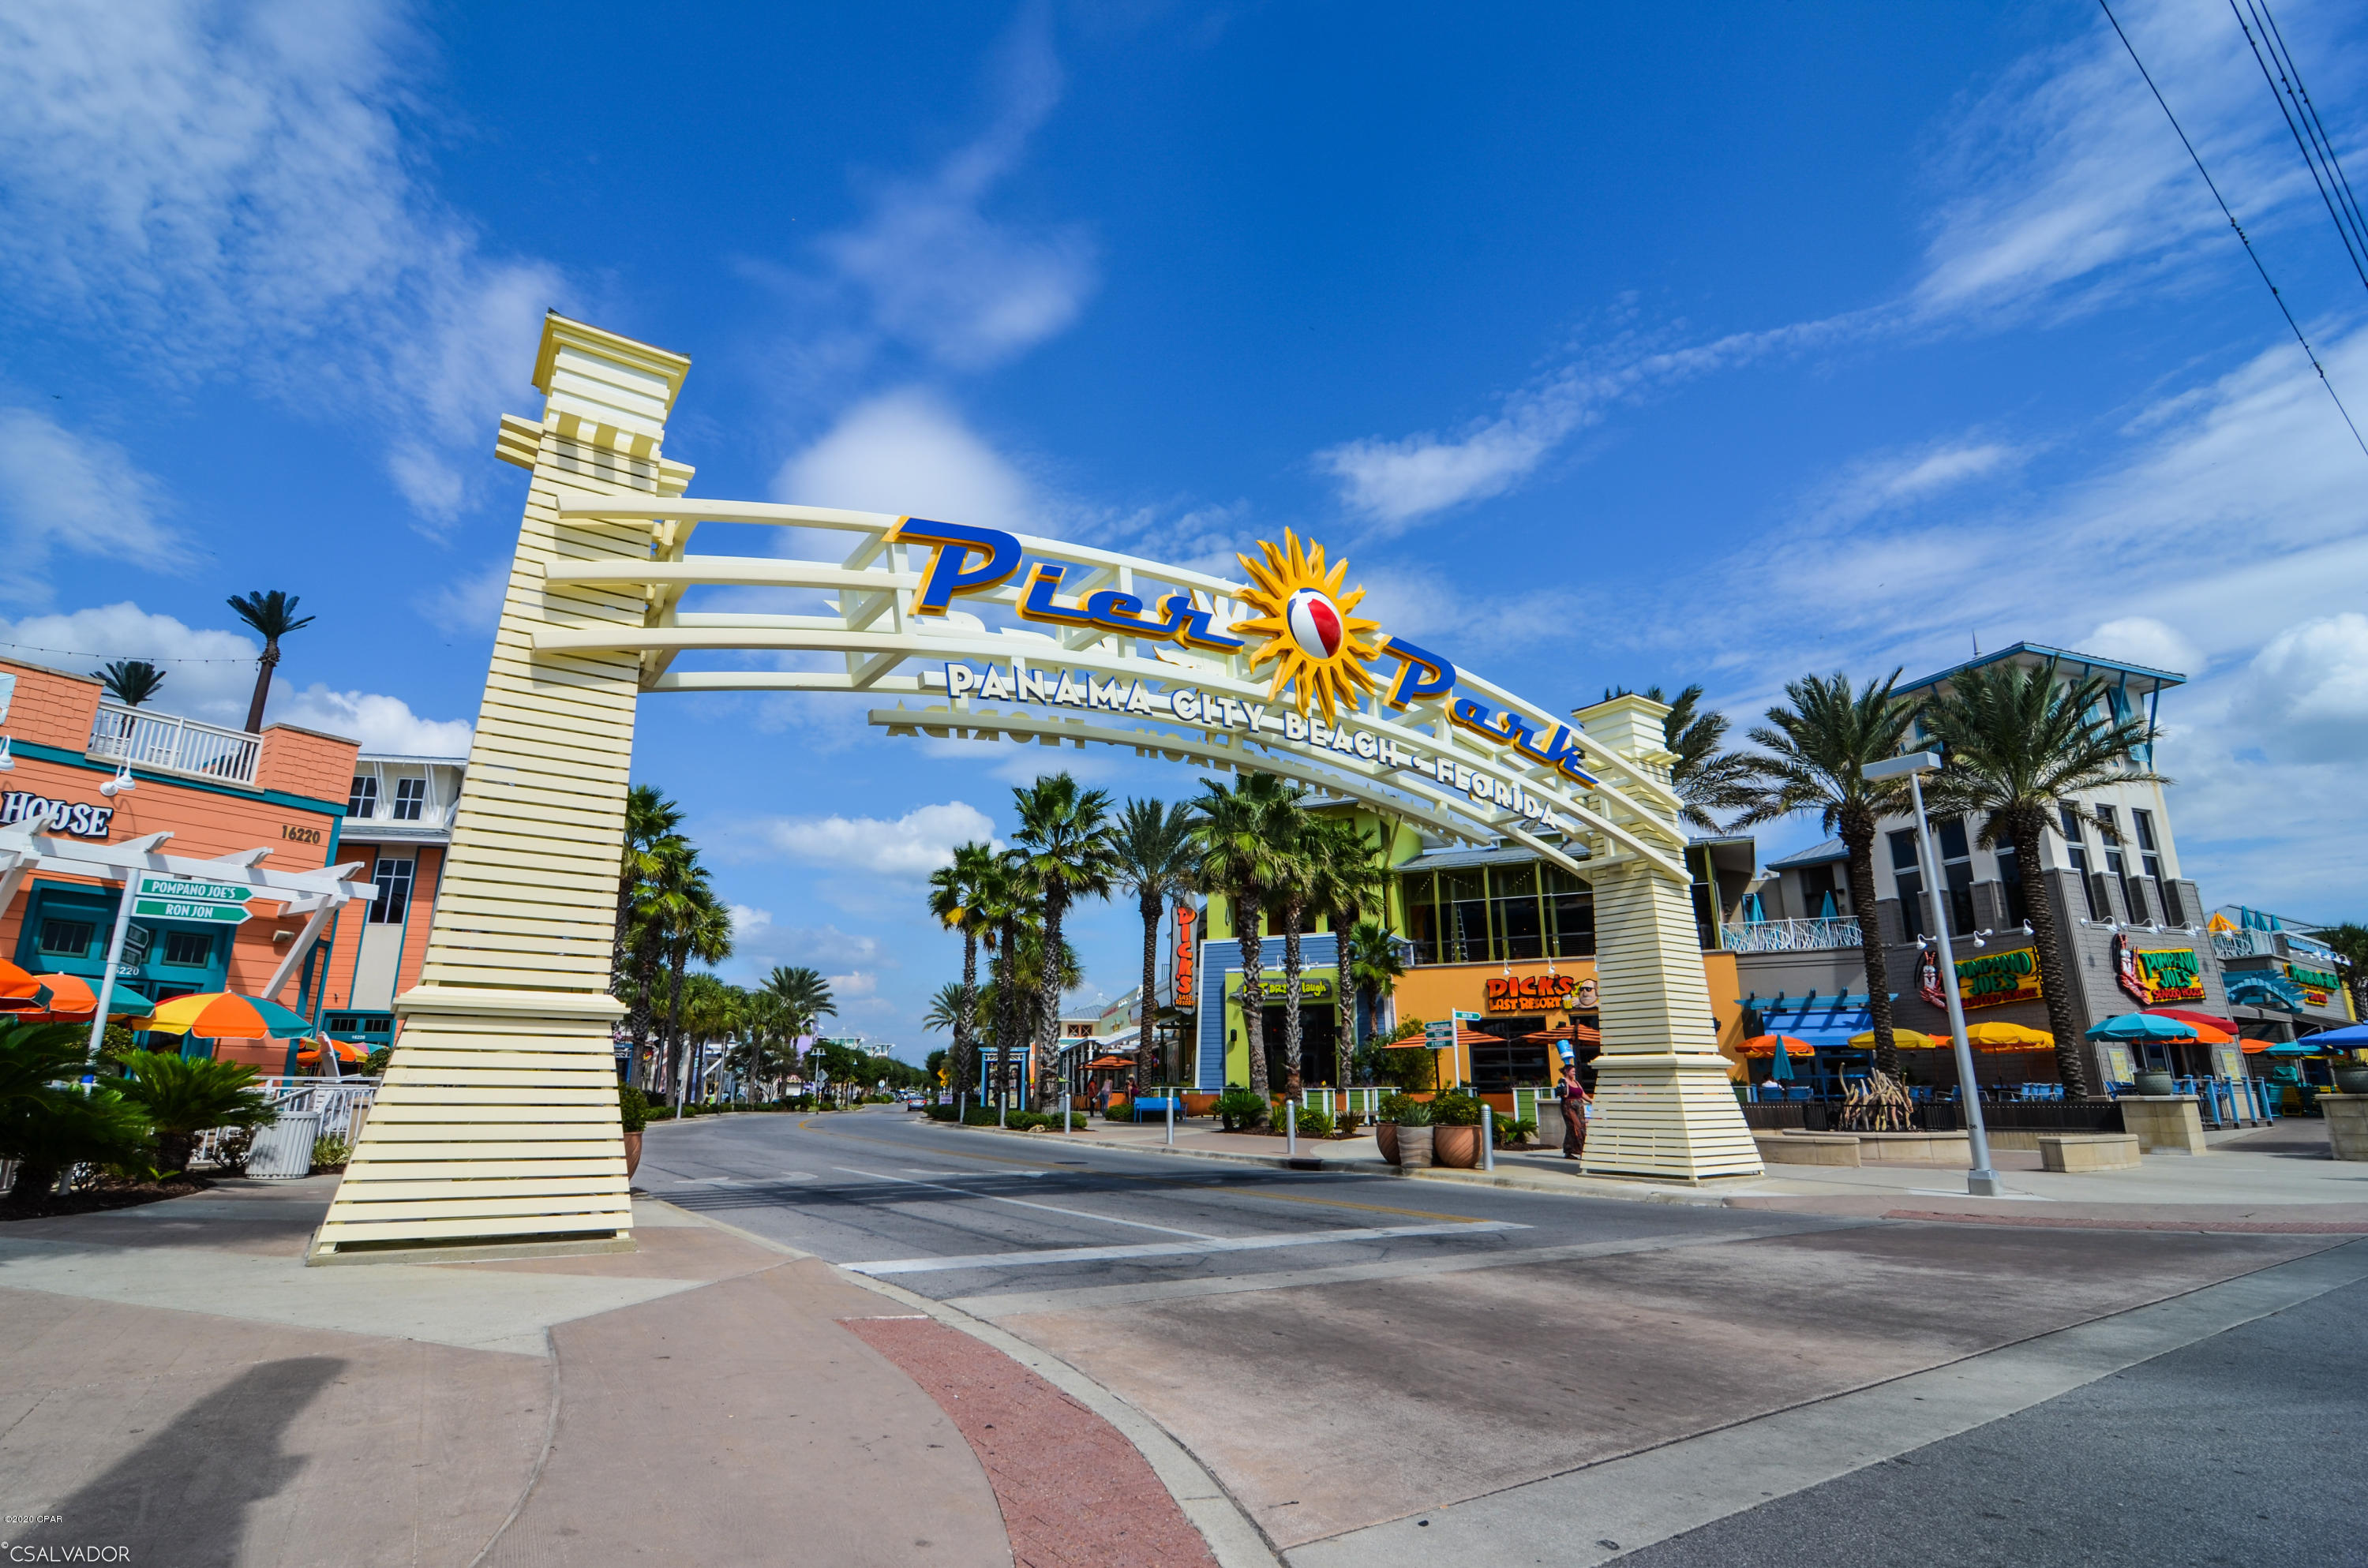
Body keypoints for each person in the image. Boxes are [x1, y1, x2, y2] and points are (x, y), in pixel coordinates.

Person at [1560, 1064, 1590, 1160]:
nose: (1574, 1073)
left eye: (1575, 1071)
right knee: (1575, 1127)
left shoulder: (1576, 1082)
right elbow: (1564, 1095)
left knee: (1581, 1127)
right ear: (1566, 1072)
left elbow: (1582, 1094)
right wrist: (1564, 1085)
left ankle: (1569, 1150)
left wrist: (1592, 1101)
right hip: (1569, 1107)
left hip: (1579, 1108)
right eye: (1572, 1071)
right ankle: (1581, 1151)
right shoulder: (1563, 1081)